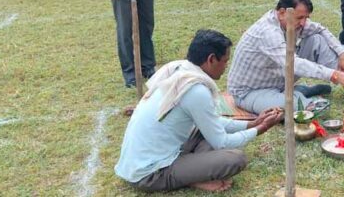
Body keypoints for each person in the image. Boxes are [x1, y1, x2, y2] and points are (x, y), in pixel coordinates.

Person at [115, 29, 284, 192]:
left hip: (142, 160)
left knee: (205, 131)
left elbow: (212, 123)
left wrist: (251, 123)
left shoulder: (178, 68)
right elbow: (222, 142)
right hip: (150, 173)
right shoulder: (195, 89)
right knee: (235, 159)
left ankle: (192, 170)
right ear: (211, 59)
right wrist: (260, 129)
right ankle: (192, 178)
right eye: (225, 61)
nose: (225, 67)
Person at [227, 0, 344, 114]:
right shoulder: (267, 32)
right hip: (251, 92)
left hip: (278, 79)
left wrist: (342, 54)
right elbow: (293, 64)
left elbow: (321, 29)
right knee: (303, 109)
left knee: (317, 39)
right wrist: (336, 75)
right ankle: (298, 94)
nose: (304, 23)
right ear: (282, 12)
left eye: (306, 17)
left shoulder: (293, 21)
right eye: (300, 17)